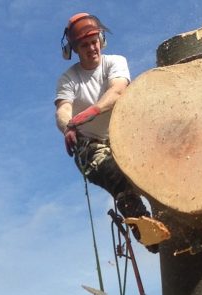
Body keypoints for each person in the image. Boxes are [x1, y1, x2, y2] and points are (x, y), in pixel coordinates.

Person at [55, 13, 167, 247]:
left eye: (94, 41)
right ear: (74, 49)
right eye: (84, 45)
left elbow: (117, 91)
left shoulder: (115, 62)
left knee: (159, 170)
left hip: (124, 138)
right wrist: (68, 126)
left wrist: (90, 112)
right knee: (115, 176)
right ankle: (146, 232)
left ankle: (173, 219)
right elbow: (63, 110)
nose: (91, 48)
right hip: (92, 146)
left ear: (102, 40)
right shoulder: (69, 79)